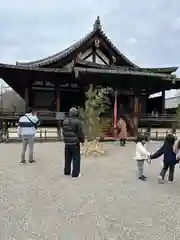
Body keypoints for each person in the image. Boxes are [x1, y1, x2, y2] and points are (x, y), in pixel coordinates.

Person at [63, 107, 85, 179]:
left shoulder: (65, 121)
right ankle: (75, 174)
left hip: (67, 143)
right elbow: (80, 133)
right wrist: (82, 141)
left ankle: (67, 171)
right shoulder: (78, 122)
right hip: (75, 143)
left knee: (67, 158)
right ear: (76, 113)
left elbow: (63, 132)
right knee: (76, 158)